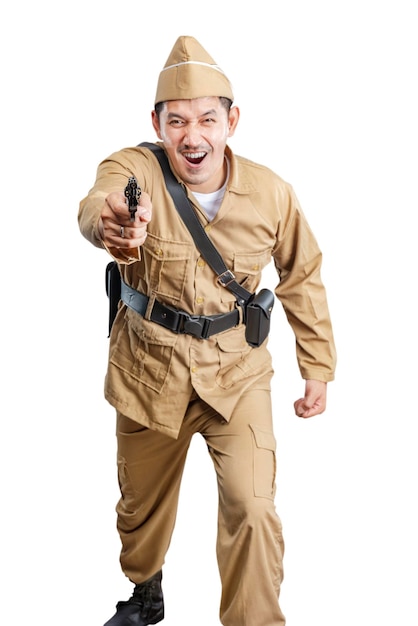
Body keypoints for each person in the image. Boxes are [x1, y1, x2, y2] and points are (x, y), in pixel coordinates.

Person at [78, 35, 336, 626]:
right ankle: (146, 593)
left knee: (253, 508)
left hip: (235, 374)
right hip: (148, 370)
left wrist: (317, 366)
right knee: (139, 511)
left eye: (207, 120)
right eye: (177, 122)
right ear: (157, 123)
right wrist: (112, 224)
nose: (192, 137)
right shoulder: (134, 168)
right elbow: (97, 202)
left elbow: (304, 274)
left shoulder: (272, 193)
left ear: (231, 121)